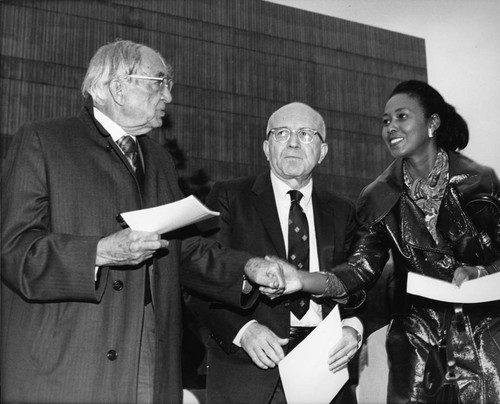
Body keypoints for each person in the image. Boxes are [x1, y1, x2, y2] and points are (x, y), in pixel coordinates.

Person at [0, 39, 287, 404]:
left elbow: (182, 250)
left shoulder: (159, 159)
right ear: (119, 87)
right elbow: (15, 251)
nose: (168, 96)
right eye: (159, 82)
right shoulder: (43, 141)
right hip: (70, 363)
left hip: (152, 360)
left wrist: (247, 268)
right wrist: (99, 253)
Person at [271, 81, 500, 403]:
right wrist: (302, 280)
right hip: (418, 331)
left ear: (432, 123)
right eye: (385, 121)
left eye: (401, 116)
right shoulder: (377, 196)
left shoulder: (481, 181)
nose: (391, 127)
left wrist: (479, 272)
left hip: (487, 330)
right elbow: (359, 269)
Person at [185, 102, 364, 404]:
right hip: (249, 369)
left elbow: (360, 284)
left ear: (323, 152)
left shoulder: (343, 211)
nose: (293, 142)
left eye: (306, 134)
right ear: (266, 148)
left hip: (327, 373)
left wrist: (352, 327)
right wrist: (244, 331)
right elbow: (199, 278)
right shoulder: (229, 197)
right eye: (282, 133)